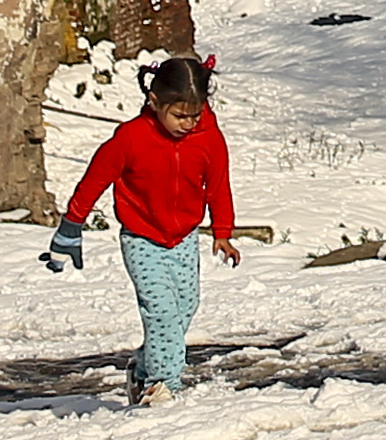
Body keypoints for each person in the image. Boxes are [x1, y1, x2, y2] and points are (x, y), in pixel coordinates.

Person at [46, 53, 242, 406]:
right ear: (155, 102)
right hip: (141, 238)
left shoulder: (209, 138)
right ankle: (163, 383)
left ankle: (141, 369)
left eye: (195, 115)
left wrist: (223, 232)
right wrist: (70, 226)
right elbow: (95, 180)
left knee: (186, 306)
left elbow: (218, 185)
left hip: (183, 239)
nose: (188, 123)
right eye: (179, 115)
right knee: (161, 312)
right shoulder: (131, 138)